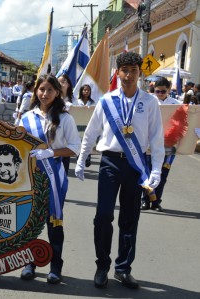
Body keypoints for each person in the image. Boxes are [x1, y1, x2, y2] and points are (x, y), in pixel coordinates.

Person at [75, 52, 164, 289]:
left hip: (136, 166)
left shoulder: (150, 102)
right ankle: (102, 265)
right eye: (124, 71)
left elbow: (156, 138)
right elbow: (92, 132)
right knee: (103, 216)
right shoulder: (106, 101)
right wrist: (82, 158)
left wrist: (156, 170)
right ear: (118, 73)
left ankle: (123, 268)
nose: (128, 75)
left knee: (130, 218)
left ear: (139, 73)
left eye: (133, 71)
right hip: (110, 163)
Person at [19, 75, 80, 284]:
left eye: (50, 90)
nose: (45, 94)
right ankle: (29, 263)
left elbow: (74, 148)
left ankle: (55, 265)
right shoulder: (26, 118)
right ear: (36, 91)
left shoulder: (65, 118)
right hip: (30, 178)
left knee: (54, 222)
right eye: (41, 89)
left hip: (55, 177)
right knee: (29, 222)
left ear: (57, 93)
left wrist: (51, 153)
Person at [141, 77, 180, 212]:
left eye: (163, 92)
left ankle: (156, 201)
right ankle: (145, 200)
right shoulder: (148, 102)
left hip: (167, 144)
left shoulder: (175, 104)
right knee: (147, 173)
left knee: (162, 175)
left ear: (168, 90)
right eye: (157, 91)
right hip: (149, 142)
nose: (160, 94)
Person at [57, 74, 76, 175]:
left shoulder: (74, 100)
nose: (60, 84)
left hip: (66, 142)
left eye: (63, 81)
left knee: (63, 174)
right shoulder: (52, 98)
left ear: (68, 84)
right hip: (54, 139)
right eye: (58, 81)